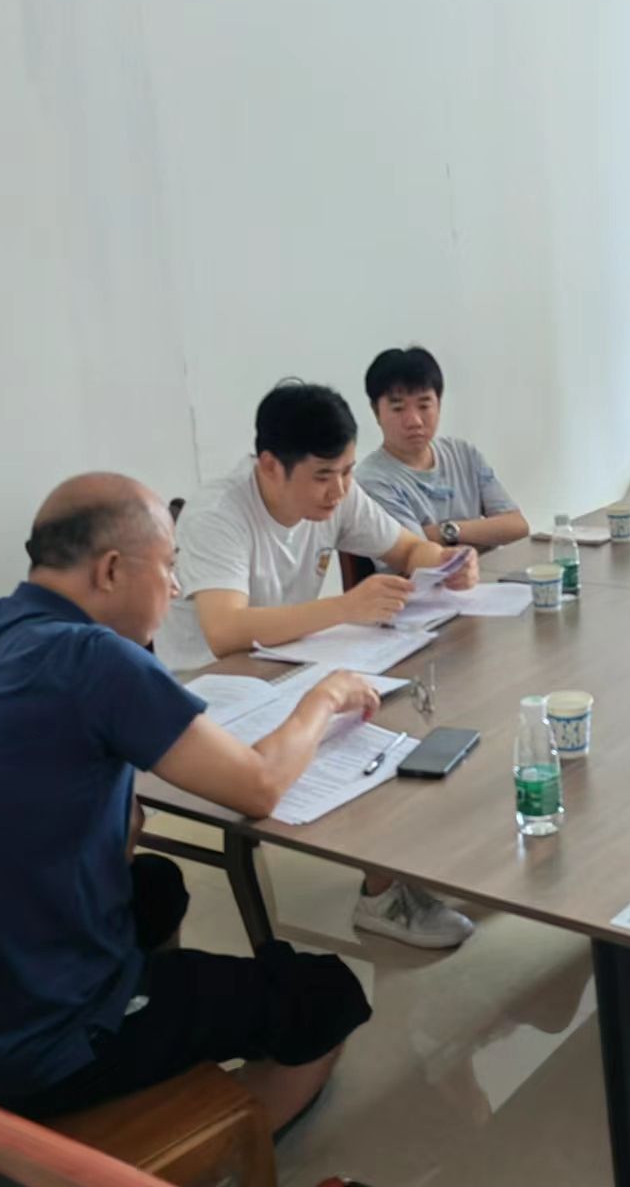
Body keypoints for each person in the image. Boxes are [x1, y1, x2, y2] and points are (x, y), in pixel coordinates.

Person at [0, 474, 375, 1127]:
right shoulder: (98, 659)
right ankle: (203, 1153)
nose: (175, 588)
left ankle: (141, 1053)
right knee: (325, 994)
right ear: (111, 570)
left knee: (156, 885)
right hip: (32, 1048)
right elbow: (259, 786)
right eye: (168, 567)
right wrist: (325, 698)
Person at [154, 379, 480, 948]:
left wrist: (447, 562)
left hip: (289, 664)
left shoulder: (337, 492)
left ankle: (402, 866)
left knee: (401, 703)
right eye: (325, 476)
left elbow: (407, 549)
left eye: (348, 471)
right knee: (363, 728)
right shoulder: (217, 514)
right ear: (270, 466)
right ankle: (383, 897)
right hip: (213, 690)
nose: (340, 490)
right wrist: (346, 607)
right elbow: (224, 632)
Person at [354, 346, 529, 551]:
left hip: (488, 570)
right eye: (398, 408)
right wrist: (484, 532)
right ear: (376, 412)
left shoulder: (463, 453)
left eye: (424, 406)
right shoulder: (372, 480)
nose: (414, 421)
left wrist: (445, 531)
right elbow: (414, 551)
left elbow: (517, 527)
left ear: (439, 405)